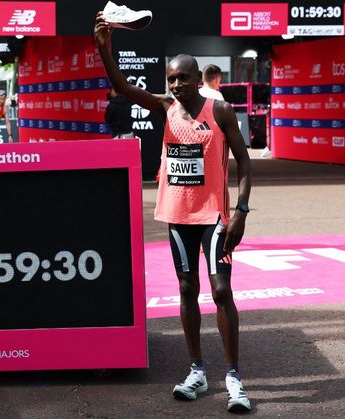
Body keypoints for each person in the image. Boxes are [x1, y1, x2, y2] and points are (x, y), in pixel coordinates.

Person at [95, 13, 252, 413]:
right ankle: (197, 371)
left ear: (198, 79)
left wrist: (241, 211)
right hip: (178, 217)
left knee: (221, 290)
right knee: (186, 289)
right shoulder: (165, 107)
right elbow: (121, 87)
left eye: (183, 78)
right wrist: (104, 48)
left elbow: (244, 161)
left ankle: (234, 377)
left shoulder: (220, 111)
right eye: (171, 79)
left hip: (214, 217)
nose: (177, 85)